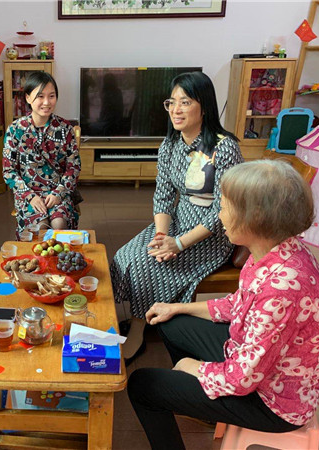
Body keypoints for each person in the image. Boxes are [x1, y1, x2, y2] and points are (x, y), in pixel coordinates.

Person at [128, 160, 319, 450]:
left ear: (255, 218)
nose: (219, 215)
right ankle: (200, 402)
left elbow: (243, 378)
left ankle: (195, 397)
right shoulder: (275, 249)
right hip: (255, 362)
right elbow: (240, 303)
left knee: (143, 386)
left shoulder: (282, 288)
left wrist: (194, 367)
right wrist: (178, 307)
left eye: (224, 207)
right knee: (170, 322)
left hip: (273, 401)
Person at [110, 71, 244, 358]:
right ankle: (144, 312)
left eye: (185, 102)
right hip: (179, 220)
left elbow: (224, 210)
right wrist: (162, 234)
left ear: (204, 107)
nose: (176, 110)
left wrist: (179, 244)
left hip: (212, 233)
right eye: (172, 102)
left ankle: (137, 331)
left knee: (148, 264)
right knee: (125, 255)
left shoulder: (224, 147)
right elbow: (163, 195)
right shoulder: (170, 145)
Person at [2, 71, 81, 237]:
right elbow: (9, 171)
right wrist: (30, 196)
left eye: (51, 96)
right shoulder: (15, 130)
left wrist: (59, 192)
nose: (46, 102)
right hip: (29, 194)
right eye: (40, 96)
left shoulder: (65, 128)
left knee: (59, 225)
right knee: (40, 227)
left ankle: (62, 254)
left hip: (58, 192)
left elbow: (73, 167)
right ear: (28, 98)